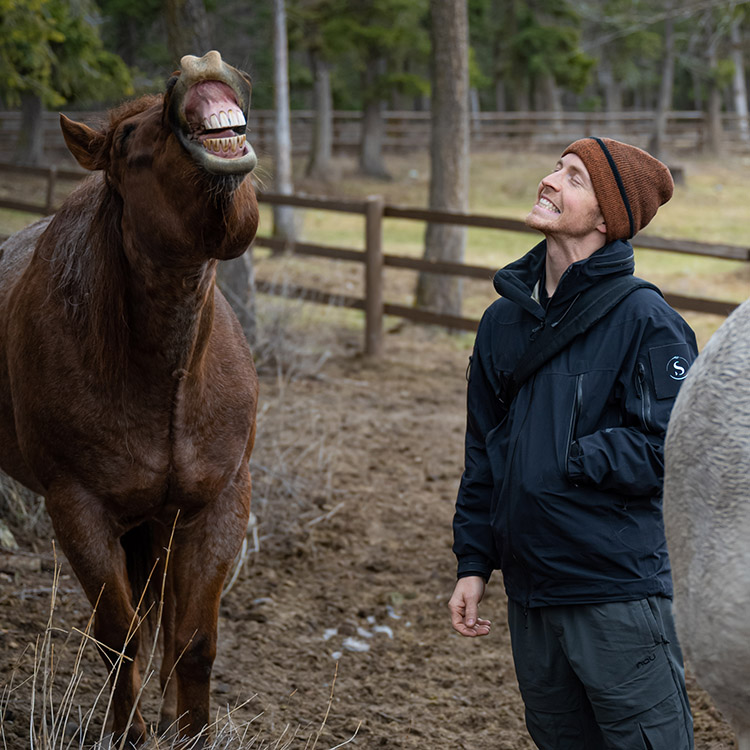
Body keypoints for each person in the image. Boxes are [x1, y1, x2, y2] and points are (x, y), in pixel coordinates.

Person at [448, 137, 698, 750]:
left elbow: (673, 452)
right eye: (556, 168)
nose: (550, 181)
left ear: (610, 218)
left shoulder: (646, 321)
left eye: (575, 177)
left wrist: (564, 456)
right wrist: (474, 563)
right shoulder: (503, 322)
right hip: (530, 595)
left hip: (614, 592)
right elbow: (482, 450)